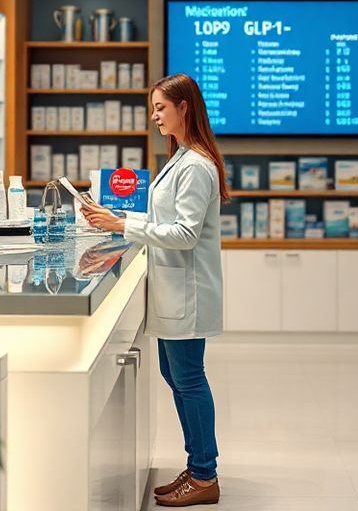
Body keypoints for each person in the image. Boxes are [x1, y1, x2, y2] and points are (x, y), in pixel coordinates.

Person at [81, 73, 227, 508]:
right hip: (173, 290)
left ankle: (205, 475)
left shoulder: (197, 165)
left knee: (189, 380)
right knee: (177, 377)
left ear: (185, 108)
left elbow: (183, 233)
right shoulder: (181, 159)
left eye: (161, 108)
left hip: (188, 292)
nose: (154, 116)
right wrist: (116, 214)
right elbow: (163, 216)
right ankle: (197, 465)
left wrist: (123, 224)